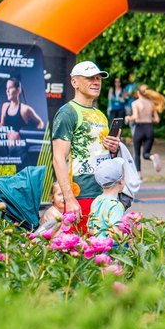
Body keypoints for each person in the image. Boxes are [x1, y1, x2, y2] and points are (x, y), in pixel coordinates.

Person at [51, 61, 120, 235]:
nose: (96, 82)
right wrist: (69, 198)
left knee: (102, 248)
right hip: (81, 192)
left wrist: (113, 148)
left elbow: (101, 152)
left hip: (103, 192)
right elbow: (58, 158)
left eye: (98, 78)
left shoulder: (100, 115)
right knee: (80, 251)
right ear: (75, 82)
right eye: (90, 78)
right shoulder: (67, 113)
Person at [88, 157, 127, 239]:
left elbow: (90, 229)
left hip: (99, 248)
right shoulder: (116, 205)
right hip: (114, 250)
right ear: (121, 181)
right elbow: (116, 233)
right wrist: (129, 235)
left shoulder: (96, 201)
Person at [0, 77, 44, 144]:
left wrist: (32, 137)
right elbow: (2, 124)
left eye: (10, 88)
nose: (7, 91)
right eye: (6, 88)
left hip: (22, 147)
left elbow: (40, 123)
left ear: (18, 90)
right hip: (8, 145)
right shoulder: (5, 106)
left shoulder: (25, 109)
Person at [127, 83, 161, 175]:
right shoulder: (151, 103)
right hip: (149, 128)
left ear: (138, 92)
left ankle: (139, 175)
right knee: (146, 154)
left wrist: (128, 118)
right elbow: (157, 119)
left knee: (137, 154)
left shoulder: (135, 103)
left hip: (139, 129)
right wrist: (149, 118)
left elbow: (135, 116)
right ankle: (153, 157)